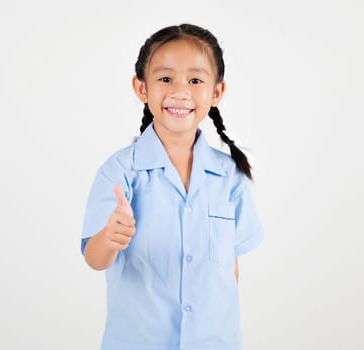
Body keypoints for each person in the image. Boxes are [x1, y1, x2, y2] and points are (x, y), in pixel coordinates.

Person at [80, 24, 264, 350]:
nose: (180, 91)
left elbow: (230, 269)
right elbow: (95, 259)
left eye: (195, 80)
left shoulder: (230, 177)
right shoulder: (120, 172)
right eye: (165, 79)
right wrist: (109, 237)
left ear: (217, 92)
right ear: (141, 88)